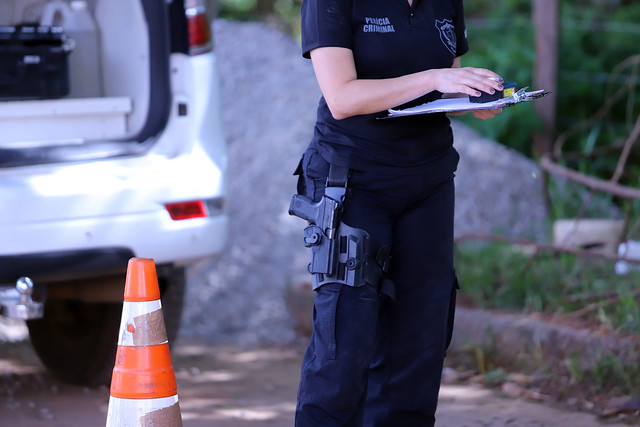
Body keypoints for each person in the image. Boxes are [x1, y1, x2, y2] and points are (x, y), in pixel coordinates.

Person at [291, 0, 503, 425]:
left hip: (429, 182)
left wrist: (470, 96)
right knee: (344, 348)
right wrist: (435, 77)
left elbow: (442, 86)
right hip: (353, 179)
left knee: (420, 345)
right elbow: (342, 98)